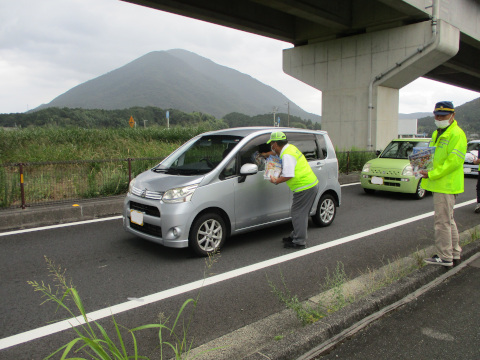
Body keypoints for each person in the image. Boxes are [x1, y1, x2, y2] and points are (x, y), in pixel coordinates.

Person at [419, 101, 467, 267]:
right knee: (449, 220)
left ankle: (444, 257)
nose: (439, 118)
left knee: (442, 222)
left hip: (446, 185)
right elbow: (431, 155)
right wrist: (422, 166)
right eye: (437, 115)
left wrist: (431, 173)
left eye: (443, 115)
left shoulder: (457, 134)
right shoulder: (437, 133)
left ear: (452, 115)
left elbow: (453, 162)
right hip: (439, 183)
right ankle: (453, 253)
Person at [264, 131, 319, 249]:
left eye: (271, 144)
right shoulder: (289, 148)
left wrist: (275, 181)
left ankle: (299, 241)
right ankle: (295, 235)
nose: (271, 146)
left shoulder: (287, 155)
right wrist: (267, 154)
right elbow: (280, 157)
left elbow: (289, 175)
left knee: (299, 214)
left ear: (275, 144)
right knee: (299, 213)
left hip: (304, 187)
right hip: (309, 185)